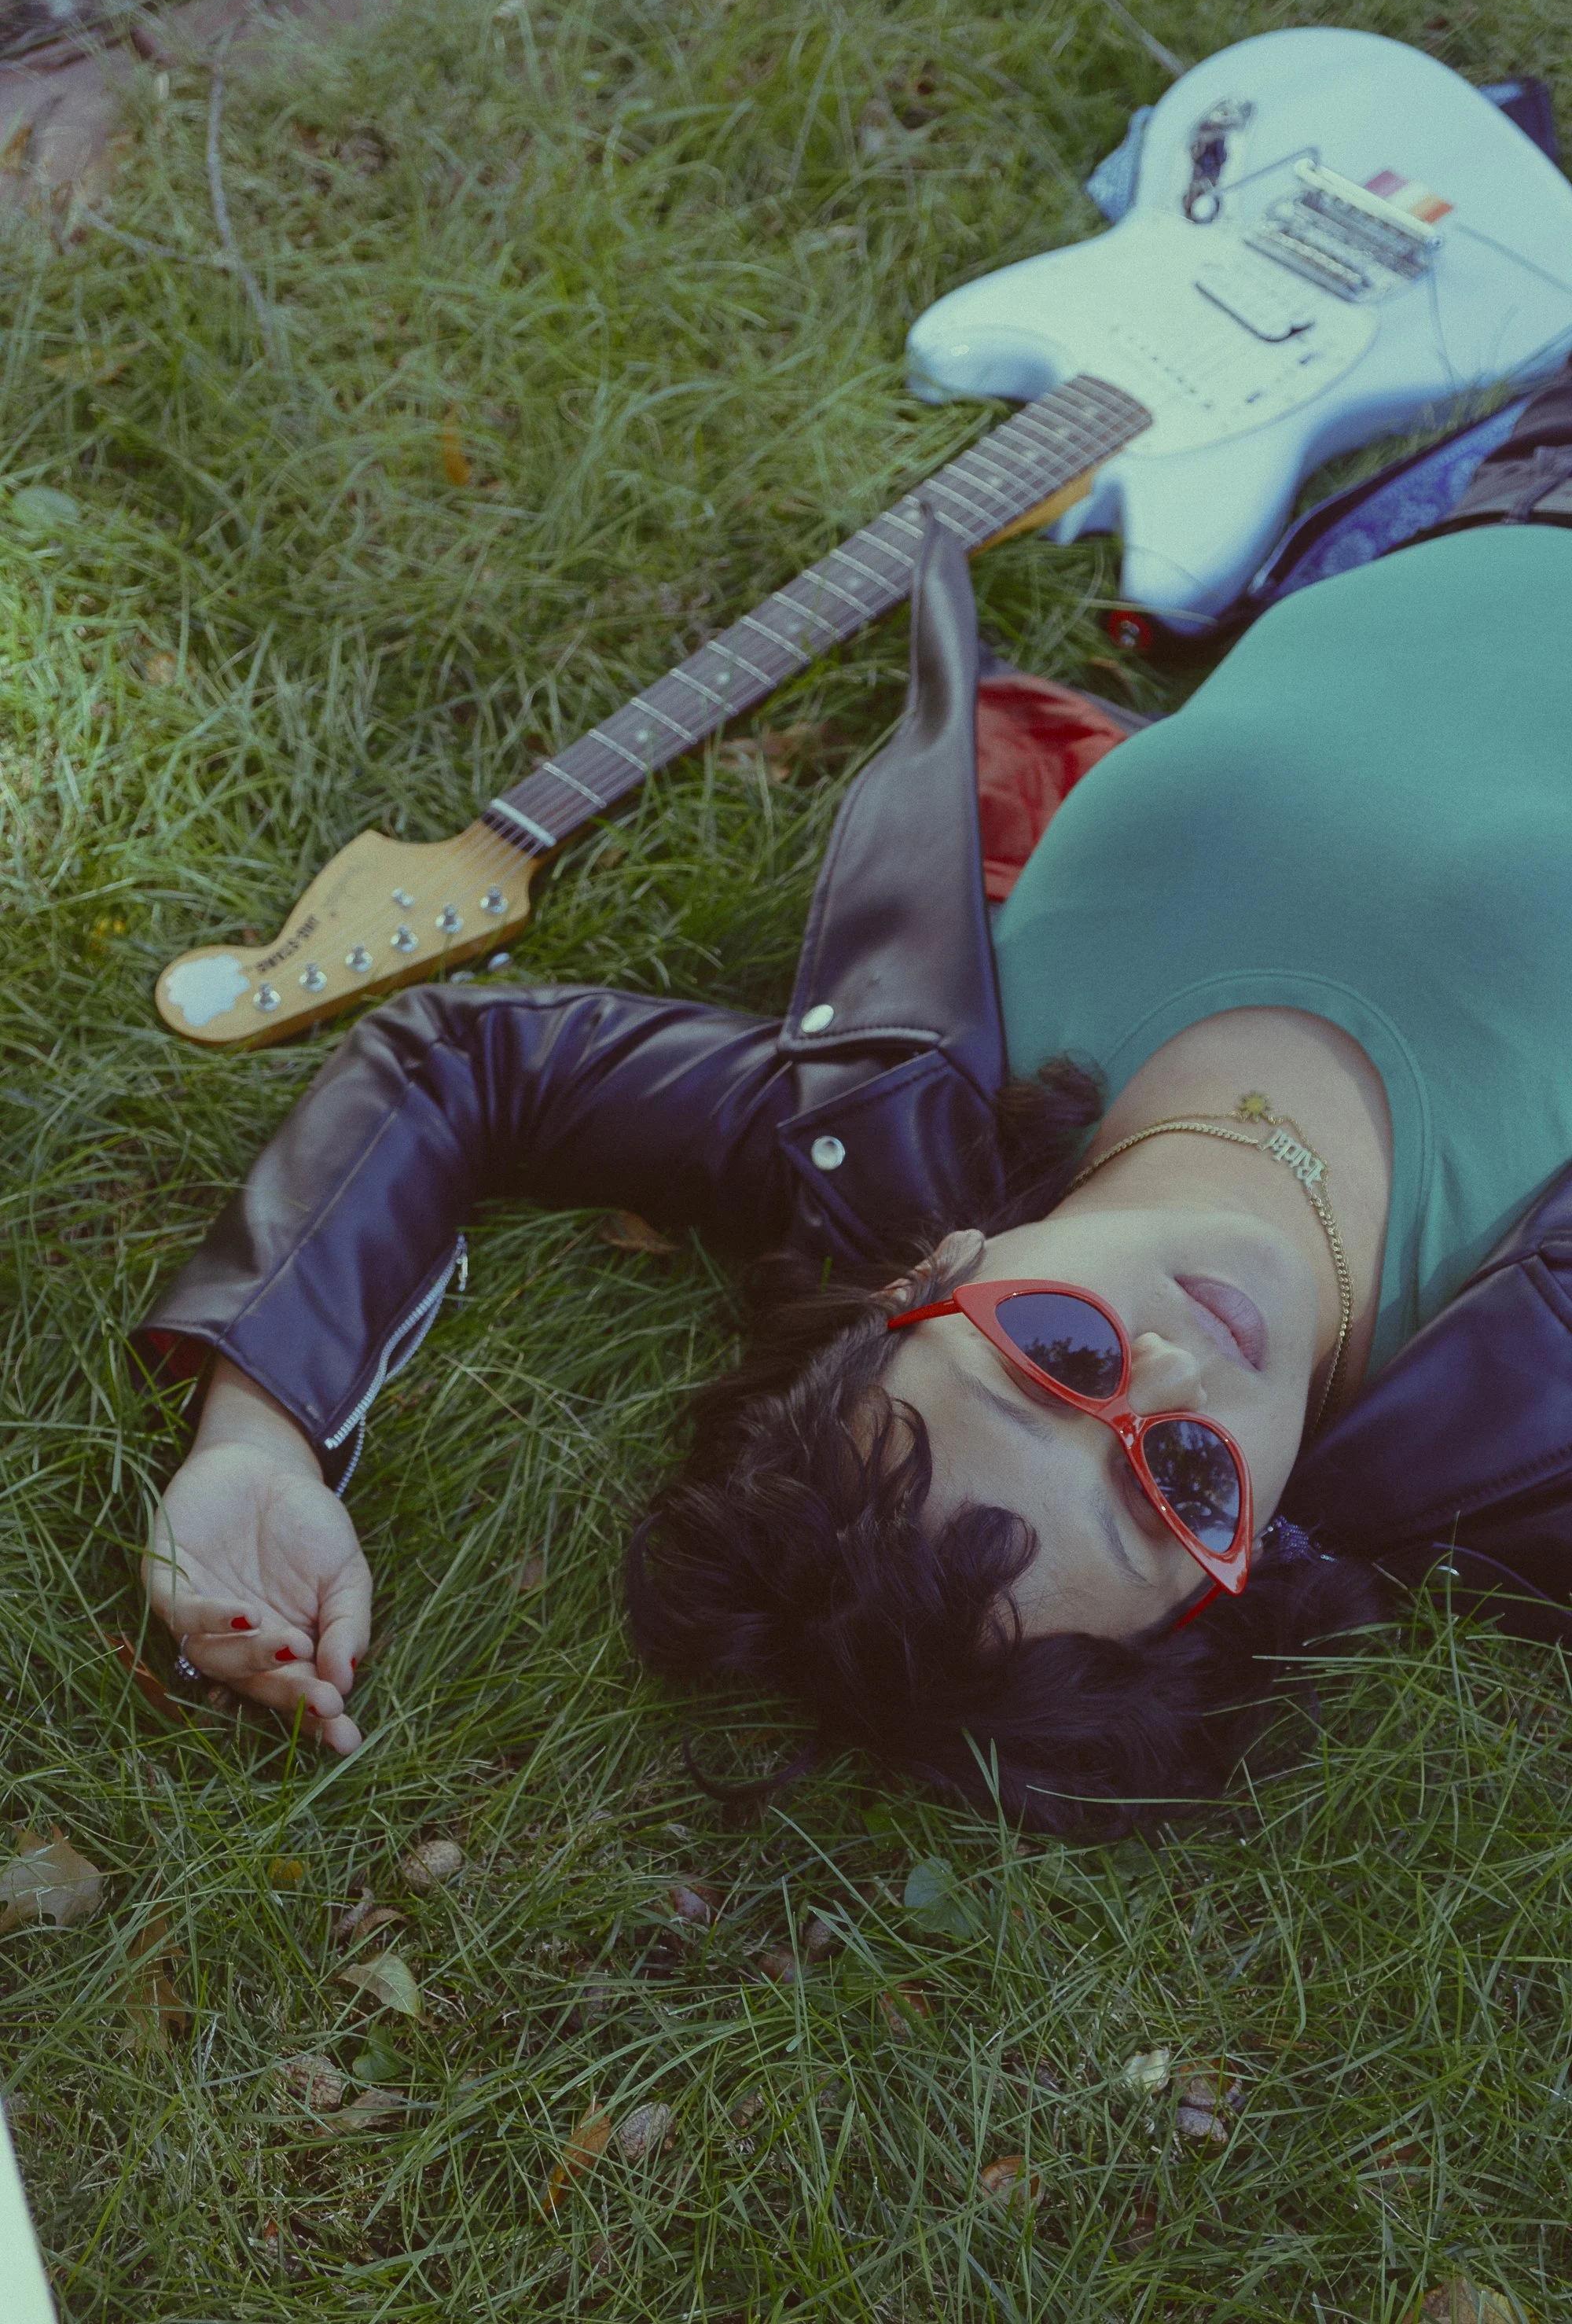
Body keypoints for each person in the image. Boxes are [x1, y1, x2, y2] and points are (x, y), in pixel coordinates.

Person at [134, 363, 1572, 1838]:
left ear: (935, 1276)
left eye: (1057, 1356)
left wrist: (256, 1437)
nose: (1173, 1373)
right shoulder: (1517, 1422)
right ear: (1249, 1549)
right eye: (1180, 1490)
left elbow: (466, 1063)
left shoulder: (909, 1124)